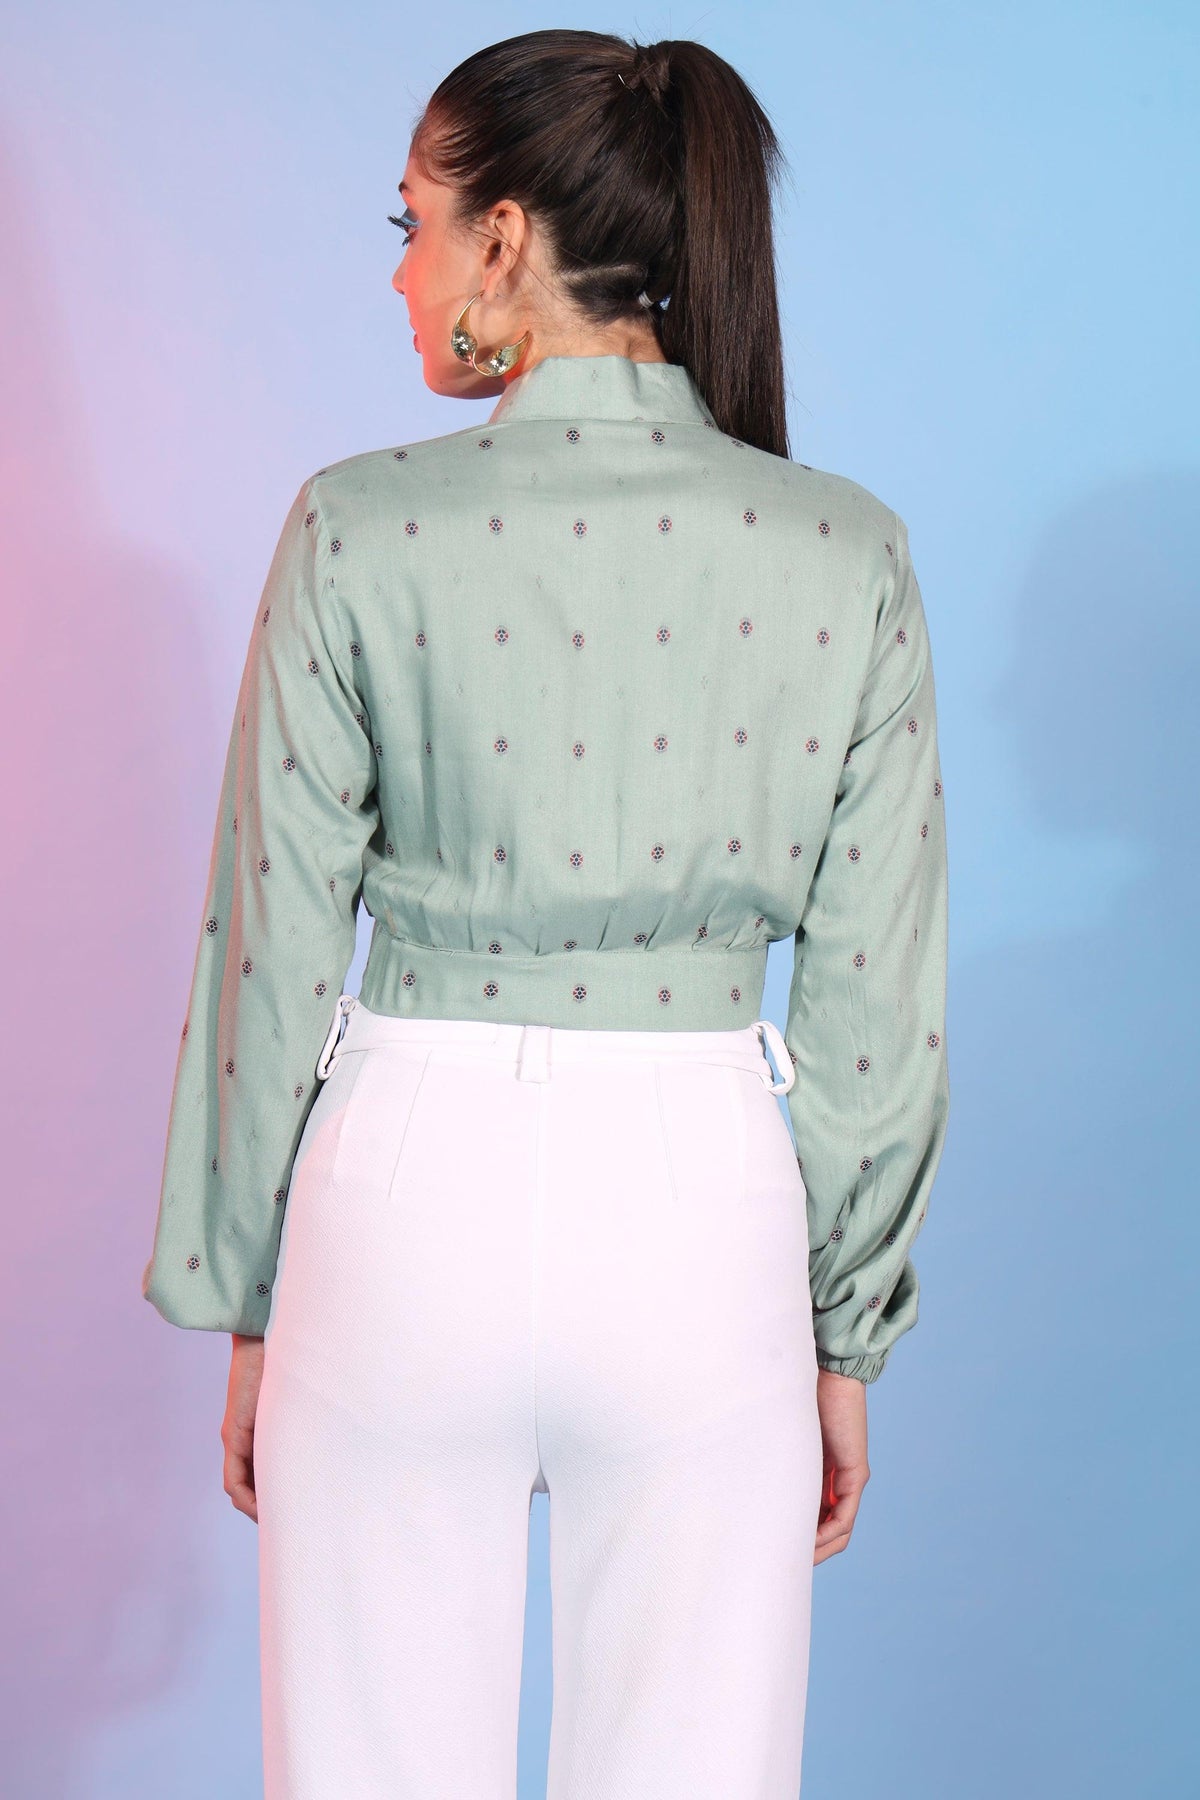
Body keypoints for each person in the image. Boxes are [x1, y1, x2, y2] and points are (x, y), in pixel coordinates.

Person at [140, 27, 950, 1799]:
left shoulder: (356, 529)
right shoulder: (847, 550)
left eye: (413, 222)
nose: (402, 272)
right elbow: (874, 1008)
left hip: (399, 1211)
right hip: (704, 1220)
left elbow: (271, 947)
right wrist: (842, 1334)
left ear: (504, 240)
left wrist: (251, 1303)